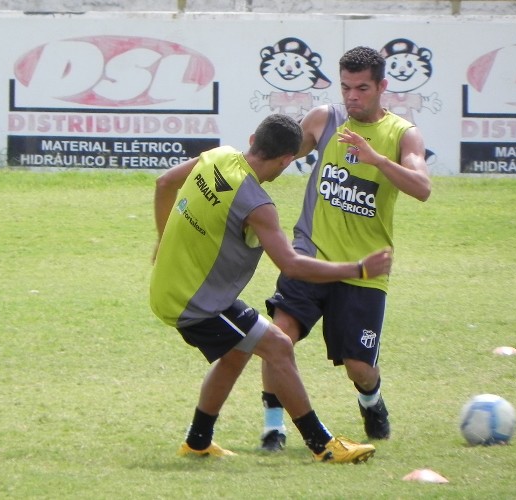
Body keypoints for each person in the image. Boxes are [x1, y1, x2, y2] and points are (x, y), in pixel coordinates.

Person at [150, 113, 393, 463]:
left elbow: (163, 183)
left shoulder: (218, 156)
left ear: (252, 139)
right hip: (195, 303)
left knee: (238, 352)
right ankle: (322, 445)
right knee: (278, 346)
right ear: (286, 160)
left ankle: (198, 441)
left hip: (169, 286)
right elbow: (292, 265)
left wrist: (163, 237)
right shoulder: (258, 205)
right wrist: (359, 268)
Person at [259, 47, 431, 452]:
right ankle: (272, 429)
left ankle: (371, 400)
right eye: (346, 87)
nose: (352, 96)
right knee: (277, 339)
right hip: (311, 255)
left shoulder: (403, 134)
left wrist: (376, 160)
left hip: (366, 269)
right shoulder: (324, 119)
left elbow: (422, 188)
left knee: (359, 368)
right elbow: (279, 155)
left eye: (362, 88)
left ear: (382, 87)